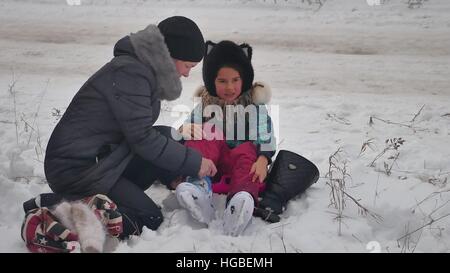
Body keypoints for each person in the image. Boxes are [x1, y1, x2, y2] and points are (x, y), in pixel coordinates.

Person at [41, 16, 217, 239]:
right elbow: (142, 138)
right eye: (187, 66)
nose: (186, 74)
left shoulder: (141, 70)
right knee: (148, 218)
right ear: (169, 55)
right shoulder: (131, 73)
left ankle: (173, 181)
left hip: (104, 160)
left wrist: (173, 173)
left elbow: (143, 134)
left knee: (167, 135)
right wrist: (194, 162)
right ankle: (57, 207)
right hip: (78, 171)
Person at [175, 40, 276, 236]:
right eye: (222, 81)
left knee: (247, 150)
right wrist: (186, 128)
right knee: (204, 133)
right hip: (210, 163)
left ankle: (241, 199)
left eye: (235, 80)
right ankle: (198, 188)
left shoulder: (254, 106)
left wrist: (264, 159)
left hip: (240, 163)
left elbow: (264, 132)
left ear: (244, 79)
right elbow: (189, 126)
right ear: (211, 81)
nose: (229, 87)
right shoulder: (206, 105)